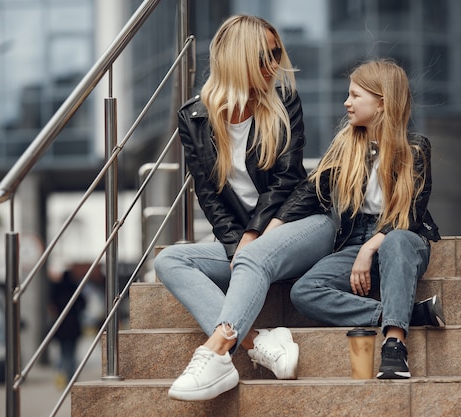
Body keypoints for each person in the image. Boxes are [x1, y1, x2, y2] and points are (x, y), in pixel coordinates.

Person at [153, 15, 336, 401]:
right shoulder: (194, 117)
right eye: (263, 56)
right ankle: (256, 342)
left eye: (276, 54)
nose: (273, 65)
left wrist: (254, 238)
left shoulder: (284, 100)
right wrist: (239, 245)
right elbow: (209, 195)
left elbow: (288, 178)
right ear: (237, 57)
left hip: (303, 224)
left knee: (252, 259)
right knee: (169, 260)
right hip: (247, 243)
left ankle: (215, 352)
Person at [273, 59, 445, 380]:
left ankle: (395, 346)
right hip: (355, 242)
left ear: (382, 103)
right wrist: (267, 233)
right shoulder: (346, 147)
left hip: (402, 239)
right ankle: (409, 313)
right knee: (304, 291)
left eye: (354, 96)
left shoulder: (415, 149)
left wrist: (370, 248)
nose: (346, 103)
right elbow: (308, 193)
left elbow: (410, 214)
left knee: (394, 240)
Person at [49, 269, 86, 388]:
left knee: (63, 353)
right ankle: (71, 379)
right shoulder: (74, 288)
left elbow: (52, 305)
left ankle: (61, 376)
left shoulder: (57, 289)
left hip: (61, 326)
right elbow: (83, 303)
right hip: (73, 326)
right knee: (72, 353)